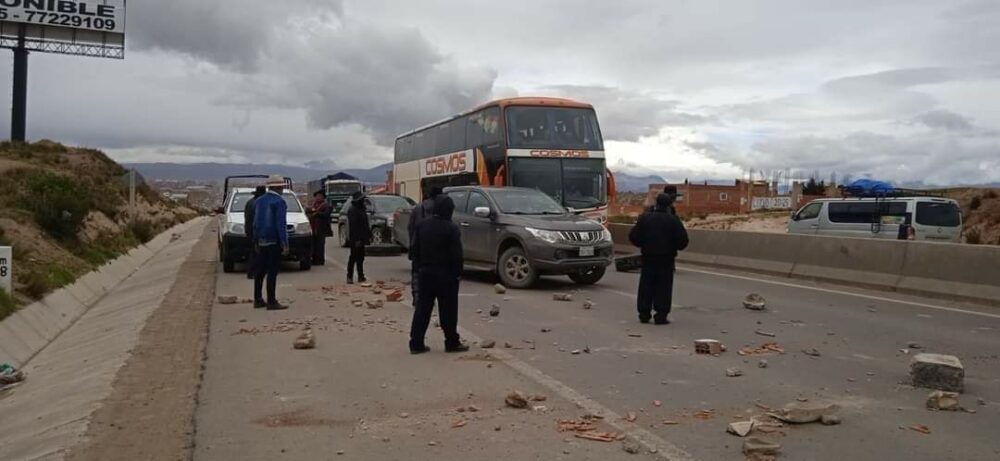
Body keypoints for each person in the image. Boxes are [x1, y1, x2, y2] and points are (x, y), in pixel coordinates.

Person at [408, 194, 468, 354]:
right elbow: (457, 255)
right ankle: (451, 342)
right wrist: (457, 274)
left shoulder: (422, 225)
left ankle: (416, 343)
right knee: (448, 311)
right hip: (446, 275)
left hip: (426, 273)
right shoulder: (451, 228)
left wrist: (419, 267)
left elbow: (414, 249)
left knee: (422, 309)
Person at [629, 193, 689, 324]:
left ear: (656, 204)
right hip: (666, 258)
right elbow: (683, 241)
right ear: (669, 205)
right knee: (664, 286)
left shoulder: (645, 218)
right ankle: (661, 315)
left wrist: (644, 244)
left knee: (646, 284)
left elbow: (633, 236)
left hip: (648, 257)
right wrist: (673, 246)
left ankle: (644, 313)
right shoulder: (673, 220)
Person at [253, 175, 289, 310]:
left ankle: (257, 299)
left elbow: (255, 222)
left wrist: (256, 239)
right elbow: (281, 224)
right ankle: (271, 301)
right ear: (279, 187)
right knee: (272, 272)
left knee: (260, 271)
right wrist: (284, 243)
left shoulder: (259, 201)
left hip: (261, 239)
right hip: (274, 240)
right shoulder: (279, 202)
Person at [407, 187, 442, 307]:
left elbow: (411, 228)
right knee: (432, 273)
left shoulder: (417, 209)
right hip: (435, 247)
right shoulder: (440, 208)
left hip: (418, 245)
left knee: (416, 272)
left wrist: (412, 245)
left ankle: (417, 296)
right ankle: (430, 297)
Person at [346, 191, 372, 284]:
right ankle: (349, 276)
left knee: (361, 258)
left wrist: (369, 235)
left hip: (362, 237)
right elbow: (354, 227)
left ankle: (361, 276)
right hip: (355, 238)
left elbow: (365, 224)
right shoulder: (353, 210)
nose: (363, 201)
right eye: (361, 199)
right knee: (353, 257)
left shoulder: (362, 209)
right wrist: (356, 239)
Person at [244, 186, 266, 280]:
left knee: (253, 251)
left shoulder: (249, 202)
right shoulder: (259, 204)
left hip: (249, 230)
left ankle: (251, 271)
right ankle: (255, 271)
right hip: (257, 230)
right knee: (258, 252)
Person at [308, 190, 333, 265]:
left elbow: (326, 214)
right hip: (313, 228)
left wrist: (317, 213)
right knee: (313, 244)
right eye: (317, 196)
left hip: (321, 228)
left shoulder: (326, 206)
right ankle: (314, 259)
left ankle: (320, 260)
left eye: (320, 196)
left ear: (323, 197)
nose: (318, 197)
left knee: (320, 245)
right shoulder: (313, 205)